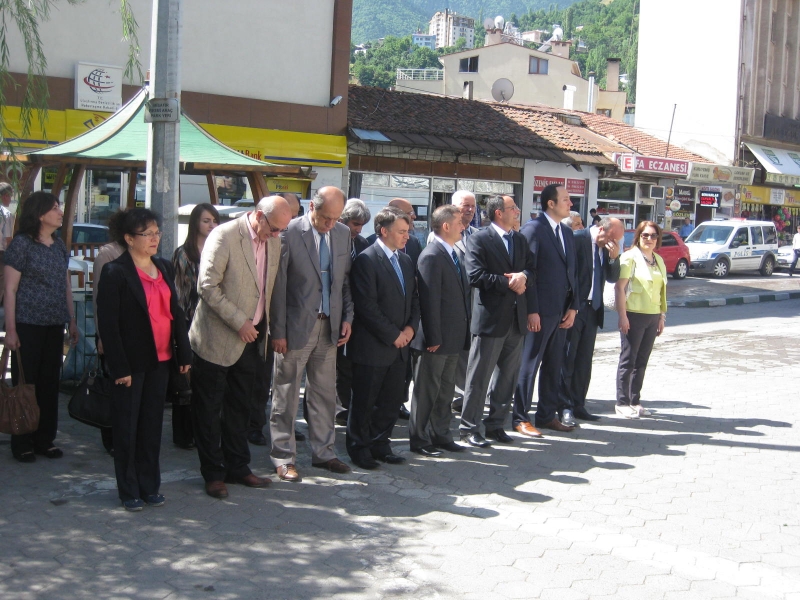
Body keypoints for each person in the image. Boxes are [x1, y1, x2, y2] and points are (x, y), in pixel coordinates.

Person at [189, 195, 292, 499]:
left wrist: (266, 329)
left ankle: (238, 466)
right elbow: (207, 286)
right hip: (217, 338)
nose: (276, 236)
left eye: (280, 232)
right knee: (208, 408)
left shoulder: (273, 240)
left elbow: (267, 288)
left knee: (240, 407)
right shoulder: (224, 235)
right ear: (258, 215)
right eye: (273, 229)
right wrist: (240, 322)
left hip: (253, 339)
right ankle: (213, 473)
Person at [96, 208, 192, 511]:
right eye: (147, 233)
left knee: (152, 427)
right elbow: (108, 325)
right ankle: (129, 489)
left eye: (156, 232)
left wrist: (184, 352)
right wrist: (119, 367)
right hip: (131, 363)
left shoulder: (163, 266)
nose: (154, 238)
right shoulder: (116, 272)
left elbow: (175, 313)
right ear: (128, 238)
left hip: (162, 360)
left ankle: (150, 486)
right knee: (127, 427)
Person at [269, 186, 353, 481]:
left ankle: (324, 453)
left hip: (329, 327)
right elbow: (278, 286)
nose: (331, 224)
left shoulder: (342, 234)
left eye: (336, 218)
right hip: (294, 328)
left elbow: (344, 282)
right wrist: (277, 330)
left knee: (325, 394)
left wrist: (347, 318)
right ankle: (283, 457)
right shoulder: (289, 233)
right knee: (287, 394)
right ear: (312, 209)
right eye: (326, 218)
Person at [3, 191, 78, 463]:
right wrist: (10, 330)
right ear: (39, 214)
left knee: (49, 383)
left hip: (54, 323)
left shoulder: (58, 245)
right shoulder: (22, 245)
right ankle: (21, 439)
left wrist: (71, 319)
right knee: (27, 383)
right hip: (28, 324)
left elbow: (65, 284)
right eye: (55, 208)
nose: (60, 212)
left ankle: (44, 439)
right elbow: (10, 290)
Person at [459, 195, 535, 448]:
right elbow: (475, 275)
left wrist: (523, 276)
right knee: (479, 377)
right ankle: (469, 428)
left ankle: (495, 425)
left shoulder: (520, 239)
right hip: (491, 320)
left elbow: (532, 269)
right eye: (513, 207)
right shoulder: (479, 239)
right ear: (499, 213)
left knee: (507, 378)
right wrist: (509, 282)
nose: (518, 211)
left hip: (516, 319)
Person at [347, 207, 419, 469]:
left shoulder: (406, 260)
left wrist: (410, 329)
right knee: (365, 402)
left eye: (408, 231)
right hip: (373, 346)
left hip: (400, 347)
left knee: (390, 401)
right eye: (401, 231)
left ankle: (381, 444)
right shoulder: (367, 260)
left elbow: (413, 298)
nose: (406, 236)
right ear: (384, 231)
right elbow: (366, 306)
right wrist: (394, 335)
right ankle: (359, 448)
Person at [514, 184, 579, 436]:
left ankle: (546, 415)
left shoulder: (566, 231)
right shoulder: (533, 230)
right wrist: (532, 310)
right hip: (540, 312)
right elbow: (529, 272)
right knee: (529, 365)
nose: (570, 204)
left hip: (562, 312)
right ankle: (520, 417)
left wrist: (573, 306)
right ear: (550, 204)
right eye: (565, 199)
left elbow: (571, 272)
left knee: (554, 364)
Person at [409, 205, 469, 456]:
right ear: (446, 226)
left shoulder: (453, 253)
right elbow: (428, 300)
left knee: (445, 391)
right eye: (459, 222)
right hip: (435, 340)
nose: (464, 226)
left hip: (453, 338)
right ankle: (419, 439)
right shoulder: (432, 256)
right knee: (427, 391)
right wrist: (433, 336)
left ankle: (441, 435)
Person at [248, 191, 303, 446]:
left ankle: (257, 425)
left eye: (293, 216)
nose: (285, 227)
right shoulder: (250, 237)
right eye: (281, 222)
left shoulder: (278, 238)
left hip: (268, 323)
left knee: (263, 379)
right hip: (246, 322)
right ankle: (248, 425)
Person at [558, 217, 623, 422]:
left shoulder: (607, 248)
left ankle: (578, 404)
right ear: (602, 229)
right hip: (573, 309)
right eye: (614, 239)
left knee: (584, 361)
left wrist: (614, 257)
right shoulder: (577, 238)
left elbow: (612, 278)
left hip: (593, 310)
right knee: (568, 359)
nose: (615, 244)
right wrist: (572, 306)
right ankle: (563, 405)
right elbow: (567, 275)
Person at [171, 203, 219, 449]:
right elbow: (178, 296)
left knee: (206, 384)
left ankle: (204, 432)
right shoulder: (183, 253)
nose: (211, 225)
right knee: (186, 381)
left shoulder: (220, 248)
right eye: (206, 221)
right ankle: (183, 434)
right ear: (195, 224)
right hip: (189, 321)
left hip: (215, 323)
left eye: (214, 221)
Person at [615, 221, 667, 419]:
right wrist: (622, 315)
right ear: (638, 236)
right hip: (633, 315)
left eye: (653, 236)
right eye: (645, 235)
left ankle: (635, 400)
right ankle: (622, 402)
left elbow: (662, 290)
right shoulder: (630, 257)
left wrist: (662, 316)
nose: (649, 239)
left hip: (652, 316)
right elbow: (620, 288)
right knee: (628, 359)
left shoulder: (658, 260)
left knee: (642, 361)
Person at [92, 213, 127, 456]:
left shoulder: (145, 253)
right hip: (111, 331)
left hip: (133, 334)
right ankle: (111, 437)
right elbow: (98, 299)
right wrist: (101, 335)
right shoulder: (108, 253)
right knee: (111, 386)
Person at [335, 199, 371, 426]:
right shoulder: (334, 240)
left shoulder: (363, 243)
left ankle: (347, 406)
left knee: (351, 364)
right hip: (334, 311)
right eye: (355, 224)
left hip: (358, 313)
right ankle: (336, 407)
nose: (358, 229)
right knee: (335, 365)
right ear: (343, 219)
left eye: (361, 225)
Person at [0, 182, 15, 306]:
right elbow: (8, 238)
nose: (11, 200)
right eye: (10, 196)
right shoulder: (6, 214)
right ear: (5, 195)